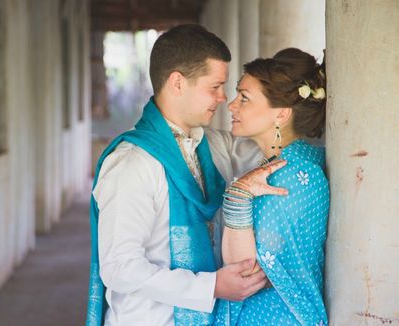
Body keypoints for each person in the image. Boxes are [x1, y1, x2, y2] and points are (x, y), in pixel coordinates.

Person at [86, 24, 287, 326]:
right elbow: (120, 268)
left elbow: (275, 151)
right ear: (177, 82)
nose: (223, 98)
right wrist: (213, 286)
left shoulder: (212, 146)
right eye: (214, 87)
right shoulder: (132, 164)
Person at [214, 48, 330, 325]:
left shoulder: (292, 176)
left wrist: (237, 197)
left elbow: (246, 272)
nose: (231, 106)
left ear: (281, 114)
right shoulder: (286, 165)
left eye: (244, 98)